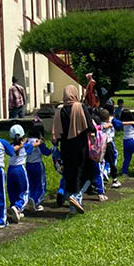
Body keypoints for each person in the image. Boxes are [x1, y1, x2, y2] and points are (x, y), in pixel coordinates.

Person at [52, 85, 94, 214]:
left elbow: (56, 133)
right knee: (85, 172)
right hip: (80, 146)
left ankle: (71, 202)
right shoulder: (80, 107)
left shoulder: (60, 110)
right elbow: (89, 126)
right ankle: (76, 197)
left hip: (66, 147)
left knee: (69, 174)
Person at [7, 125, 41, 223]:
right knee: (24, 190)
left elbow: (16, 146)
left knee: (12, 190)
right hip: (20, 169)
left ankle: (13, 206)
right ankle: (18, 207)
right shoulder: (26, 147)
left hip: (10, 170)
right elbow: (34, 145)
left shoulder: (10, 146)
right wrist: (38, 142)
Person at [25, 122, 53, 213]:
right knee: (40, 184)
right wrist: (53, 148)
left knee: (30, 183)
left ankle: (29, 199)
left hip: (28, 164)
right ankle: (37, 202)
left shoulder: (26, 141)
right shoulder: (38, 142)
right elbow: (46, 152)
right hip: (37, 164)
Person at [99, 109, 122, 189]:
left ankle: (102, 178)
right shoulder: (109, 124)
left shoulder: (99, 125)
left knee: (102, 162)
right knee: (112, 161)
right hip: (108, 144)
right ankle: (114, 179)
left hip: (100, 145)